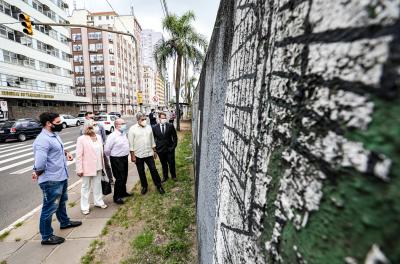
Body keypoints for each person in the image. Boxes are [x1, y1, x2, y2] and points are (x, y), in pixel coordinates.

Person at [32, 112, 82, 245]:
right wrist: (37, 172)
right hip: (51, 180)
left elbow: (57, 150)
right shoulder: (42, 140)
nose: (61, 124)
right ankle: (46, 236)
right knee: (49, 208)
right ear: (49, 124)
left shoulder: (54, 135)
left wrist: (66, 153)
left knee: (61, 202)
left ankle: (64, 222)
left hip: (61, 176)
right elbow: (40, 163)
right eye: (58, 122)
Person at [76, 120, 108, 215]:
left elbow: (101, 152)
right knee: (86, 187)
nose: (96, 126)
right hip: (87, 167)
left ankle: (98, 201)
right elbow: (78, 155)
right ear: (88, 127)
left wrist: (103, 165)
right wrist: (79, 169)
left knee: (97, 185)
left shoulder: (98, 137)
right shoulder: (81, 139)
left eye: (96, 124)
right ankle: (84, 206)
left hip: (98, 165)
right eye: (94, 125)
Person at [128, 112, 165, 195]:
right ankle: (144, 186)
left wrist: (154, 151)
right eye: (142, 119)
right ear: (138, 120)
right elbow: (131, 144)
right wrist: (132, 156)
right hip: (138, 155)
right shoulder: (132, 129)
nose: (144, 121)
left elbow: (152, 140)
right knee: (141, 171)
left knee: (153, 170)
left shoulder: (148, 127)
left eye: (145, 119)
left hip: (149, 153)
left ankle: (158, 185)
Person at [80, 112, 114, 185]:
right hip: (90, 150)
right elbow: (82, 138)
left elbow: (104, 137)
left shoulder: (99, 125)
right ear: (86, 118)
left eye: (93, 117)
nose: (93, 119)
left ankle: (110, 180)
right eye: (90, 117)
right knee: (94, 165)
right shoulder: (83, 127)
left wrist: (103, 145)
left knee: (106, 164)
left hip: (100, 148)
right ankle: (97, 181)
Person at [104, 118, 131, 204]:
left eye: (124, 123)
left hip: (124, 157)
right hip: (116, 159)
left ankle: (123, 192)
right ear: (117, 125)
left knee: (125, 176)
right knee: (119, 178)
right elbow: (107, 150)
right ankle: (117, 197)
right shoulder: (112, 136)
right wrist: (112, 157)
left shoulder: (123, 134)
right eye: (122, 123)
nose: (124, 125)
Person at [152, 112, 178, 182]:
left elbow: (175, 137)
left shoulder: (170, 126)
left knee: (171, 163)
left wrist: (173, 146)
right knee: (163, 164)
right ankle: (165, 176)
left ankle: (173, 176)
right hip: (160, 150)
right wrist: (155, 149)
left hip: (170, 149)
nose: (164, 119)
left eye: (165, 118)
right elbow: (153, 139)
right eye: (162, 118)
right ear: (159, 118)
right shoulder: (154, 127)